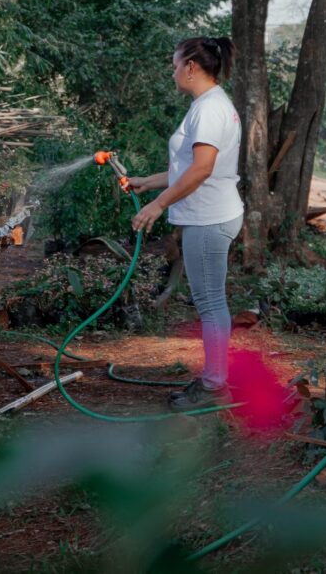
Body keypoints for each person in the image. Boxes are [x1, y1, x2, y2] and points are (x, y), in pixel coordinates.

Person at [126, 37, 244, 411]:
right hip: (209, 215)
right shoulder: (208, 105)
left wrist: (157, 205)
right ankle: (214, 378)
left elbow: (203, 169)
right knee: (210, 301)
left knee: (210, 303)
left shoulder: (209, 109)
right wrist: (150, 181)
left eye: (175, 63)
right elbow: (186, 169)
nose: (172, 70)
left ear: (192, 67)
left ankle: (213, 388)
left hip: (210, 219)